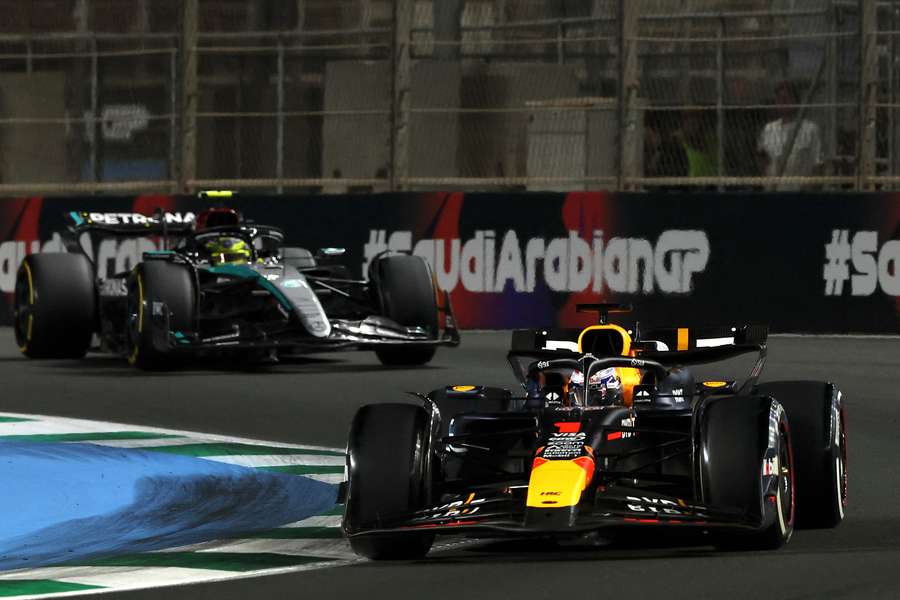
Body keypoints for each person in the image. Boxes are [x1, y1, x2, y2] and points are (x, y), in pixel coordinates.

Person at [757, 81, 824, 190]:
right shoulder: (769, 129)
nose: (782, 102)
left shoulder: (810, 129)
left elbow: (818, 164)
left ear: (796, 101)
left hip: (799, 193)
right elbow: (762, 159)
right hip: (774, 191)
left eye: (786, 98)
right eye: (779, 99)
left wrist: (811, 190)